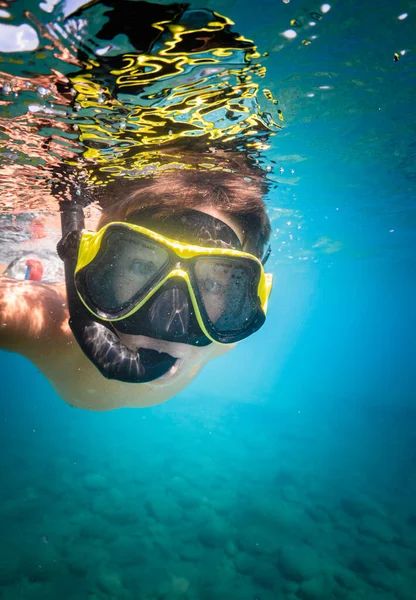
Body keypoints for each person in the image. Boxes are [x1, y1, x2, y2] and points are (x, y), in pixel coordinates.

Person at [0, 159, 272, 410]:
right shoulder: (43, 321)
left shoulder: (222, 340)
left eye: (212, 284)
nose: (170, 320)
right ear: (102, 270)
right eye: (141, 267)